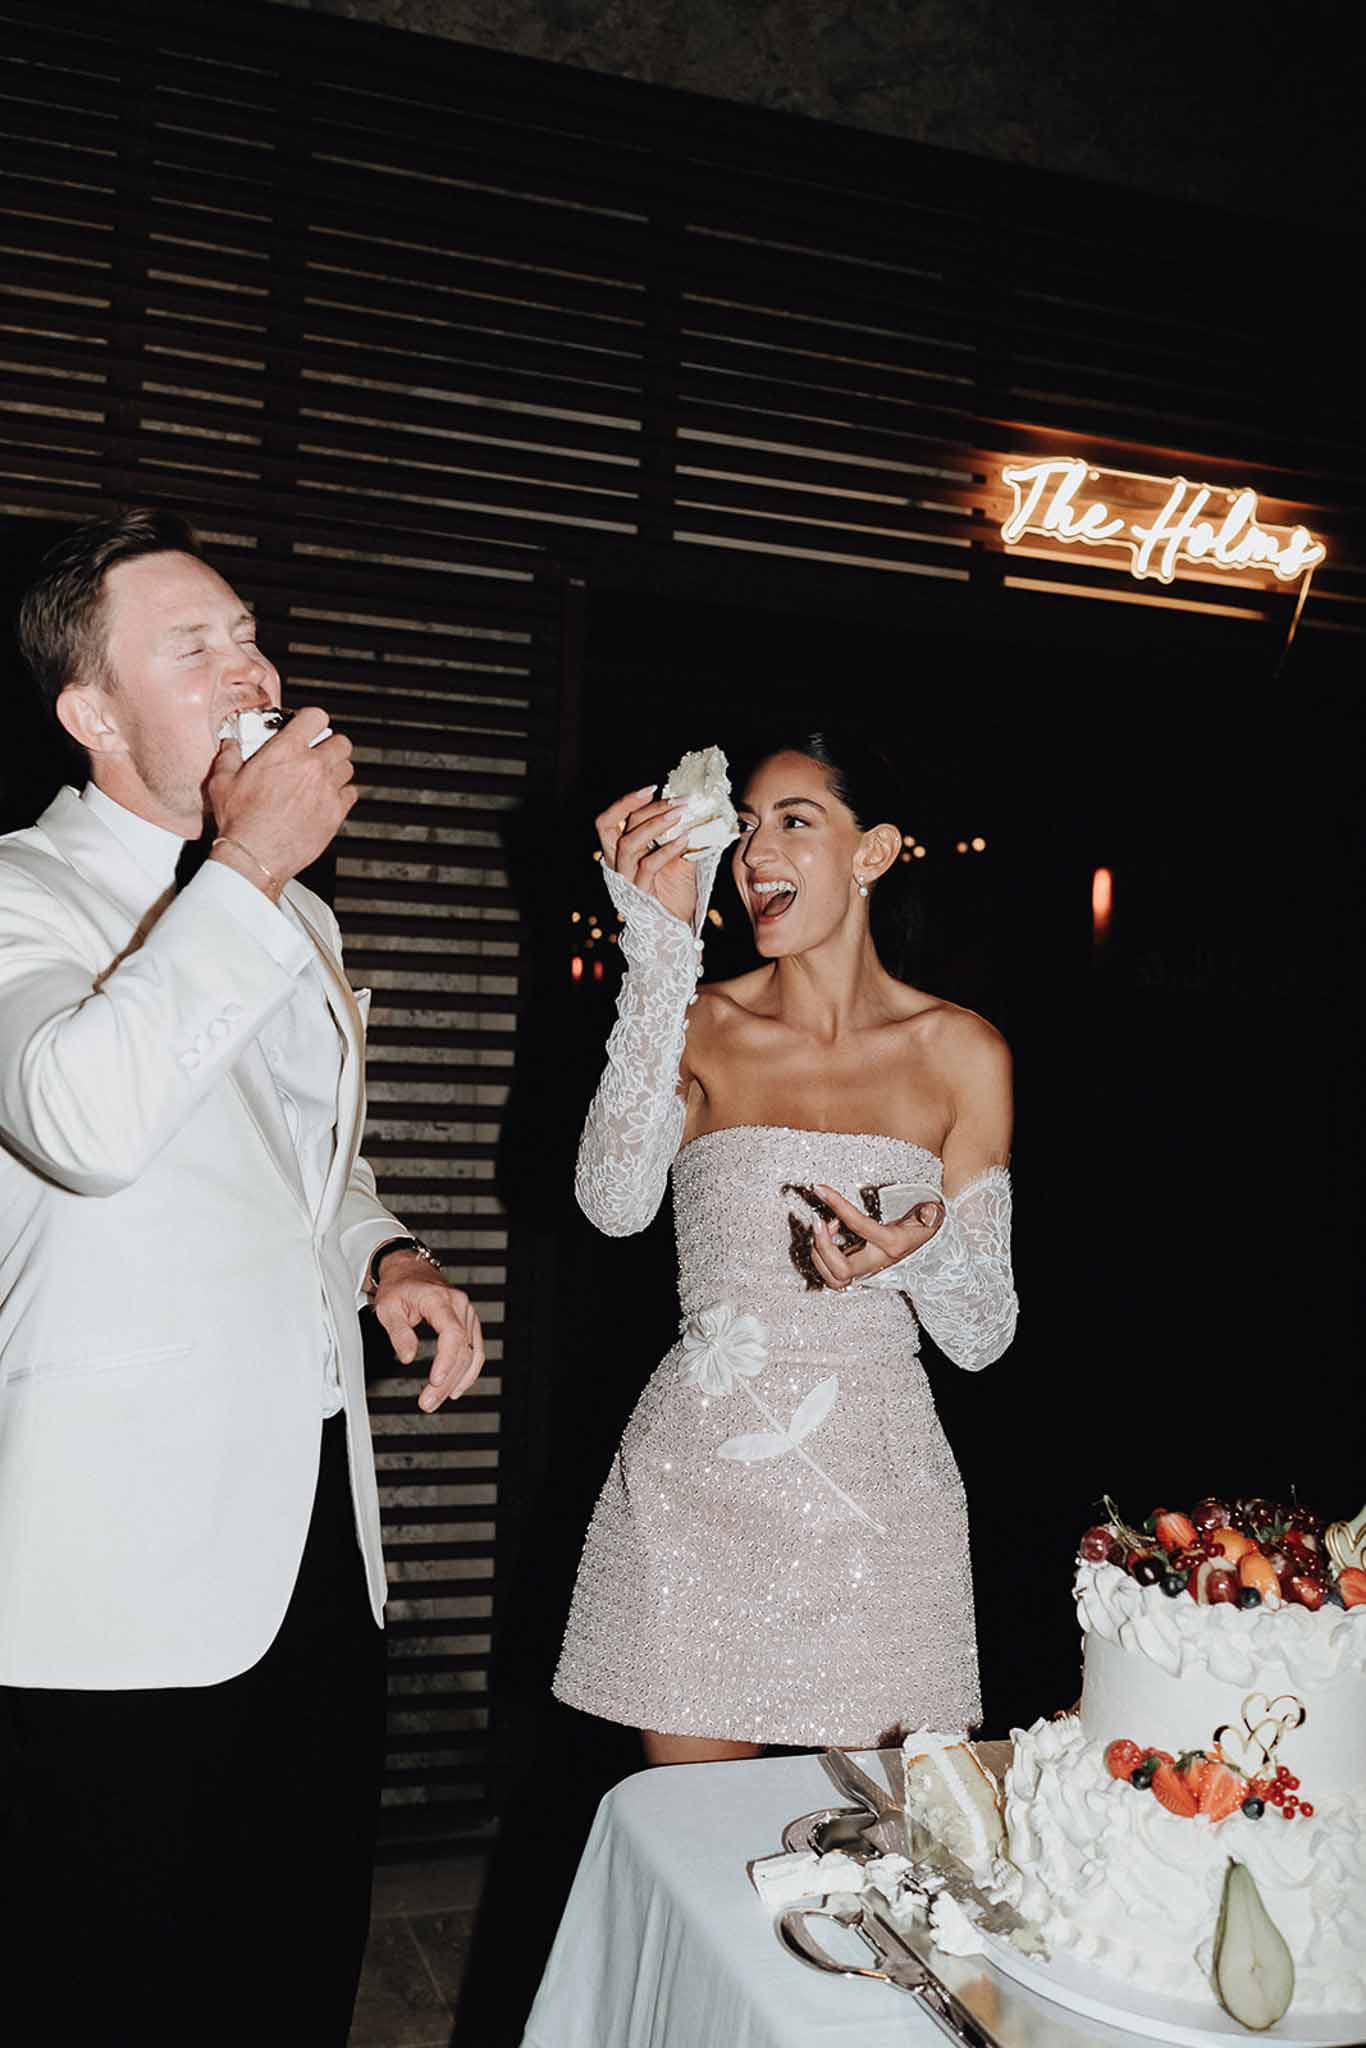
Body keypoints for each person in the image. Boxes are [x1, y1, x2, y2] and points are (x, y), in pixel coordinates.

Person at [0, 509, 485, 2042]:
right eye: (190, 644)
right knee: (96, 1989)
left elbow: (299, 1162)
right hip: (107, 1570)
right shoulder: (22, 894)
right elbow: (83, 1119)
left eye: (248, 631)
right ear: (91, 713)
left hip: (313, 1540)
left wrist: (382, 1248)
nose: (249, 662)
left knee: (283, 1968)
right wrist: (253, 862)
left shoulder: (293, 913)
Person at [553, 731, 1017, 1765]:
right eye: (747, 824)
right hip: (698, 1482)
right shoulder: (697, 1021)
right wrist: (658, 956)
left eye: (797, 820)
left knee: (873, 1869)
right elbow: (611, 1201)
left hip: (878, 1499)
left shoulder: (961, 1050)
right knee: (698, 1846)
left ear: (874, 850)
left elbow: (983, 1334)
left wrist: (914, 1256)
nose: (759, 850)